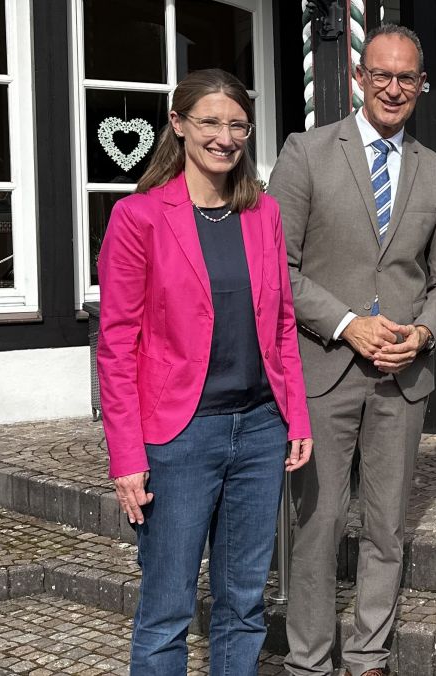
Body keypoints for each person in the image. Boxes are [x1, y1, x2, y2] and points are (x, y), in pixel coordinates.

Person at [96, 68, 313, 674]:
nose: (225, 136)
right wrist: (126, 458)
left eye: (237, 124)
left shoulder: (262, 213)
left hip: (260, 430)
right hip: (178, 437)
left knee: (244, 604)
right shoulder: (138, 218)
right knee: (166, 611)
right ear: (179, 125)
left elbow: (282, 325)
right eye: (211, 122)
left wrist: (294, 413)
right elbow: (115, 346)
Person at [268, 24, 436, 676]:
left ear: (421, 85)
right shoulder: (307, 152)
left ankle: (369, 654)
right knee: (317, 524)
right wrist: (347, 321)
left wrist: (425, 334)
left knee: (386, 527)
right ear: (359, 76)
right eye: (381, 74)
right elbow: (278, 268)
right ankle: (308, 660)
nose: (393, 87)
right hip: (323, 370)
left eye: (406, 77)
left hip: (401, 379)